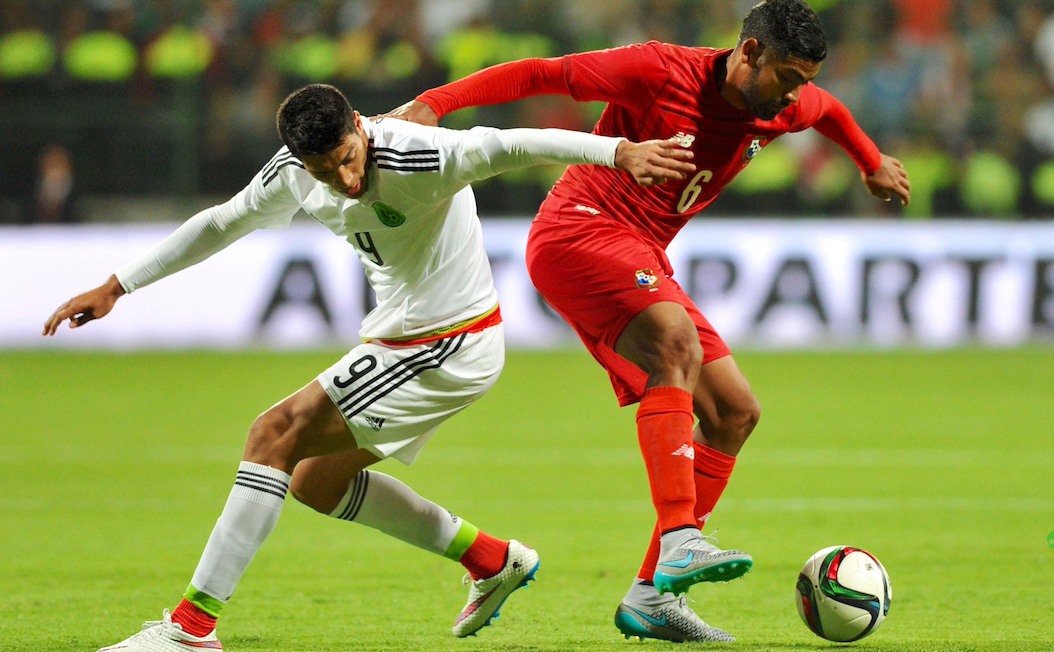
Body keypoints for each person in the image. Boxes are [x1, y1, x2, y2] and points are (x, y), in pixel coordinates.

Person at [43, 83, 695, 652]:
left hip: (446, 342)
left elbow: (513, 143)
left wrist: (620, 153)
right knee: (312, 483)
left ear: (360, 128)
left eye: (350, 161)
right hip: (409, 337)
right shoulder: (295, 173)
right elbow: (222, 222)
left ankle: (190, 628)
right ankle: (491, 560)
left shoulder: (416, 153)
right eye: (326, 172)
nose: (346, 181)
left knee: (272, 434)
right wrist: (118, 285)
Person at [390, 0, 911, 642]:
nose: (794, 96)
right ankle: (681, 536)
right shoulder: (659, 71)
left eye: (803, 79)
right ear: (747, 52)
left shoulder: (782, 104)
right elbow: (542, 74)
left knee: (733, 412)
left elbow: (829, 110)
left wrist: (869, 162)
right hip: (579, 228)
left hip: (642, 253)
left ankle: (650, 597)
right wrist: (434, 104)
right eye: (786, 76)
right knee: (675, 342)